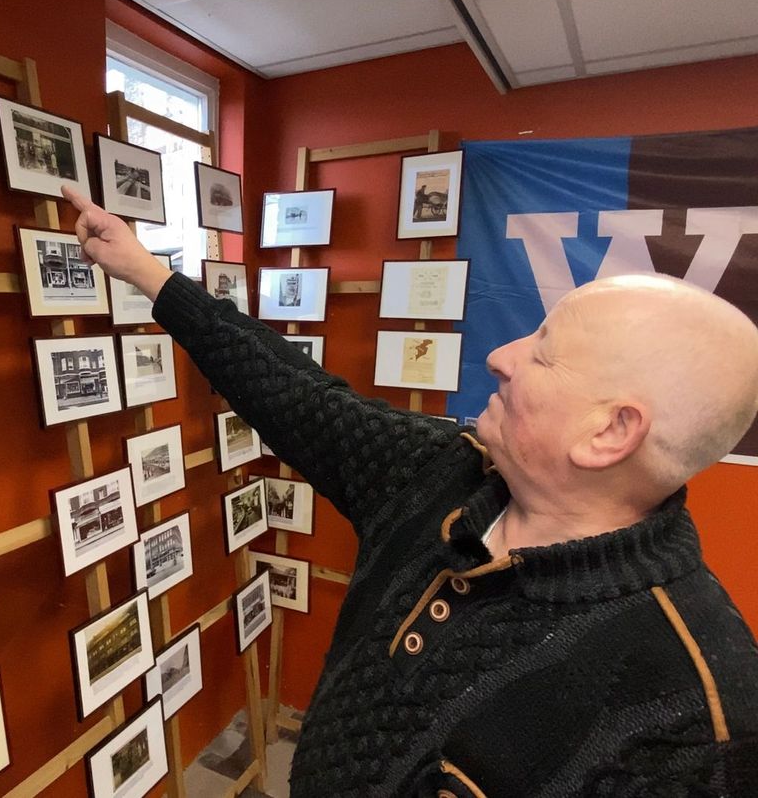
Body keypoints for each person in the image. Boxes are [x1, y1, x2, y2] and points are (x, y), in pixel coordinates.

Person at [61, 186, 758, 796]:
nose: (500, 357)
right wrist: (148, 273)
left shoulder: (698, 713)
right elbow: (296, 396)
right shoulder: (441, 473)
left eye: (542, 350)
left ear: (610, 433)